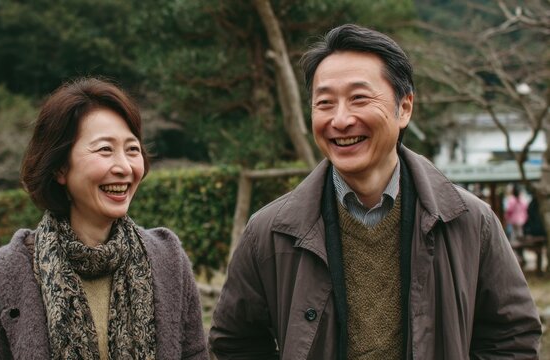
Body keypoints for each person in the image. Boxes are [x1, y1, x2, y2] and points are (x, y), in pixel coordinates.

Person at [209, 24, 541, 359]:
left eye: (359, 98)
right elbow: (235, 342)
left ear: (405, 108)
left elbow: (511, 337)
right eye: (324, 102)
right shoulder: (269, 232)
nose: (340, 120)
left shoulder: (470, 222)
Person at [0, 78, 208, 359]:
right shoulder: (3, 275)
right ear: (60, 168)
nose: (124, 167)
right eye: (105, 149)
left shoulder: (168, 260)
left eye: (132, 149)